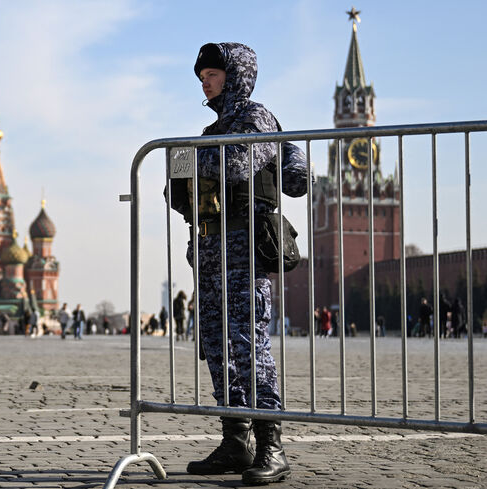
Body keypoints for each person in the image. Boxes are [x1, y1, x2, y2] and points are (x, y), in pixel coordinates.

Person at [169, 43, 305, 485]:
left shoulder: (258, 119)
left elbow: (242, 165)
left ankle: (272, 445)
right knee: (217, 348)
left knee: (249, 348)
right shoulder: (211, 131)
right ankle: (235, 440)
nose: (204, 82)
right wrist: (187, 166)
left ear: (236, 76)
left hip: (245, 254)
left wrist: (191, 161)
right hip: (209, 255)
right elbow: (174, 189)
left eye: (212, 73)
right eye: (201, 75)